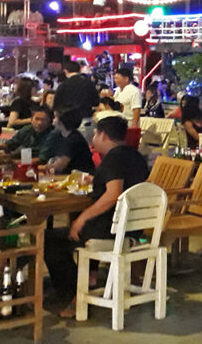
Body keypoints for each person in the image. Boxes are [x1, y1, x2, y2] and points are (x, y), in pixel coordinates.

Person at [44, 116, 149, 317]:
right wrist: (96, 179)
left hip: (112, 232)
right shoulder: (135, 156)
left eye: (95, 134)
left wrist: (82, 218)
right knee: (71, 232)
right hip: (135, 230)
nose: (93, 138)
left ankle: (75, 295)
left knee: (50, 239)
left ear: (103, 135)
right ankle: (87, 280)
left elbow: (113, 194)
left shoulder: (113, 158)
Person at [44, 108, 96, 175]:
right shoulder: (62, 136)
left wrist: (42, 167)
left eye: (55, 117)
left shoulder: (73, 140)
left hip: (82, 177)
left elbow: (59, 166)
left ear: (62, 121)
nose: (53, 120)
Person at [54, 60, 99, 132]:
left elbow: (57, 105)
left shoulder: (64, 85)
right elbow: (96, 102)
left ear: (65, 71)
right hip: (86, 120)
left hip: (68, 123)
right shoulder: (89, 83)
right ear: (79, 70)